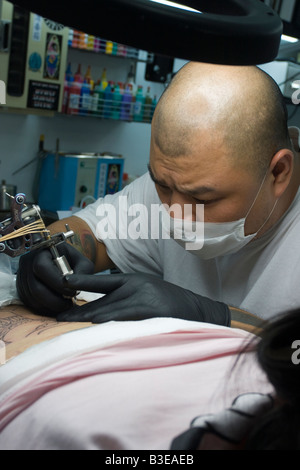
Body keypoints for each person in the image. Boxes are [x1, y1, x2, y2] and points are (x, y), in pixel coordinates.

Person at [16, 61, 300, 324]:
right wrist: (48, 255)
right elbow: (93, 231)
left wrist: (217, 317)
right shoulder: (178, 183)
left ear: (278, 173)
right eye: (162, 185)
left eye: (202, 199)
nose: (174, 214)